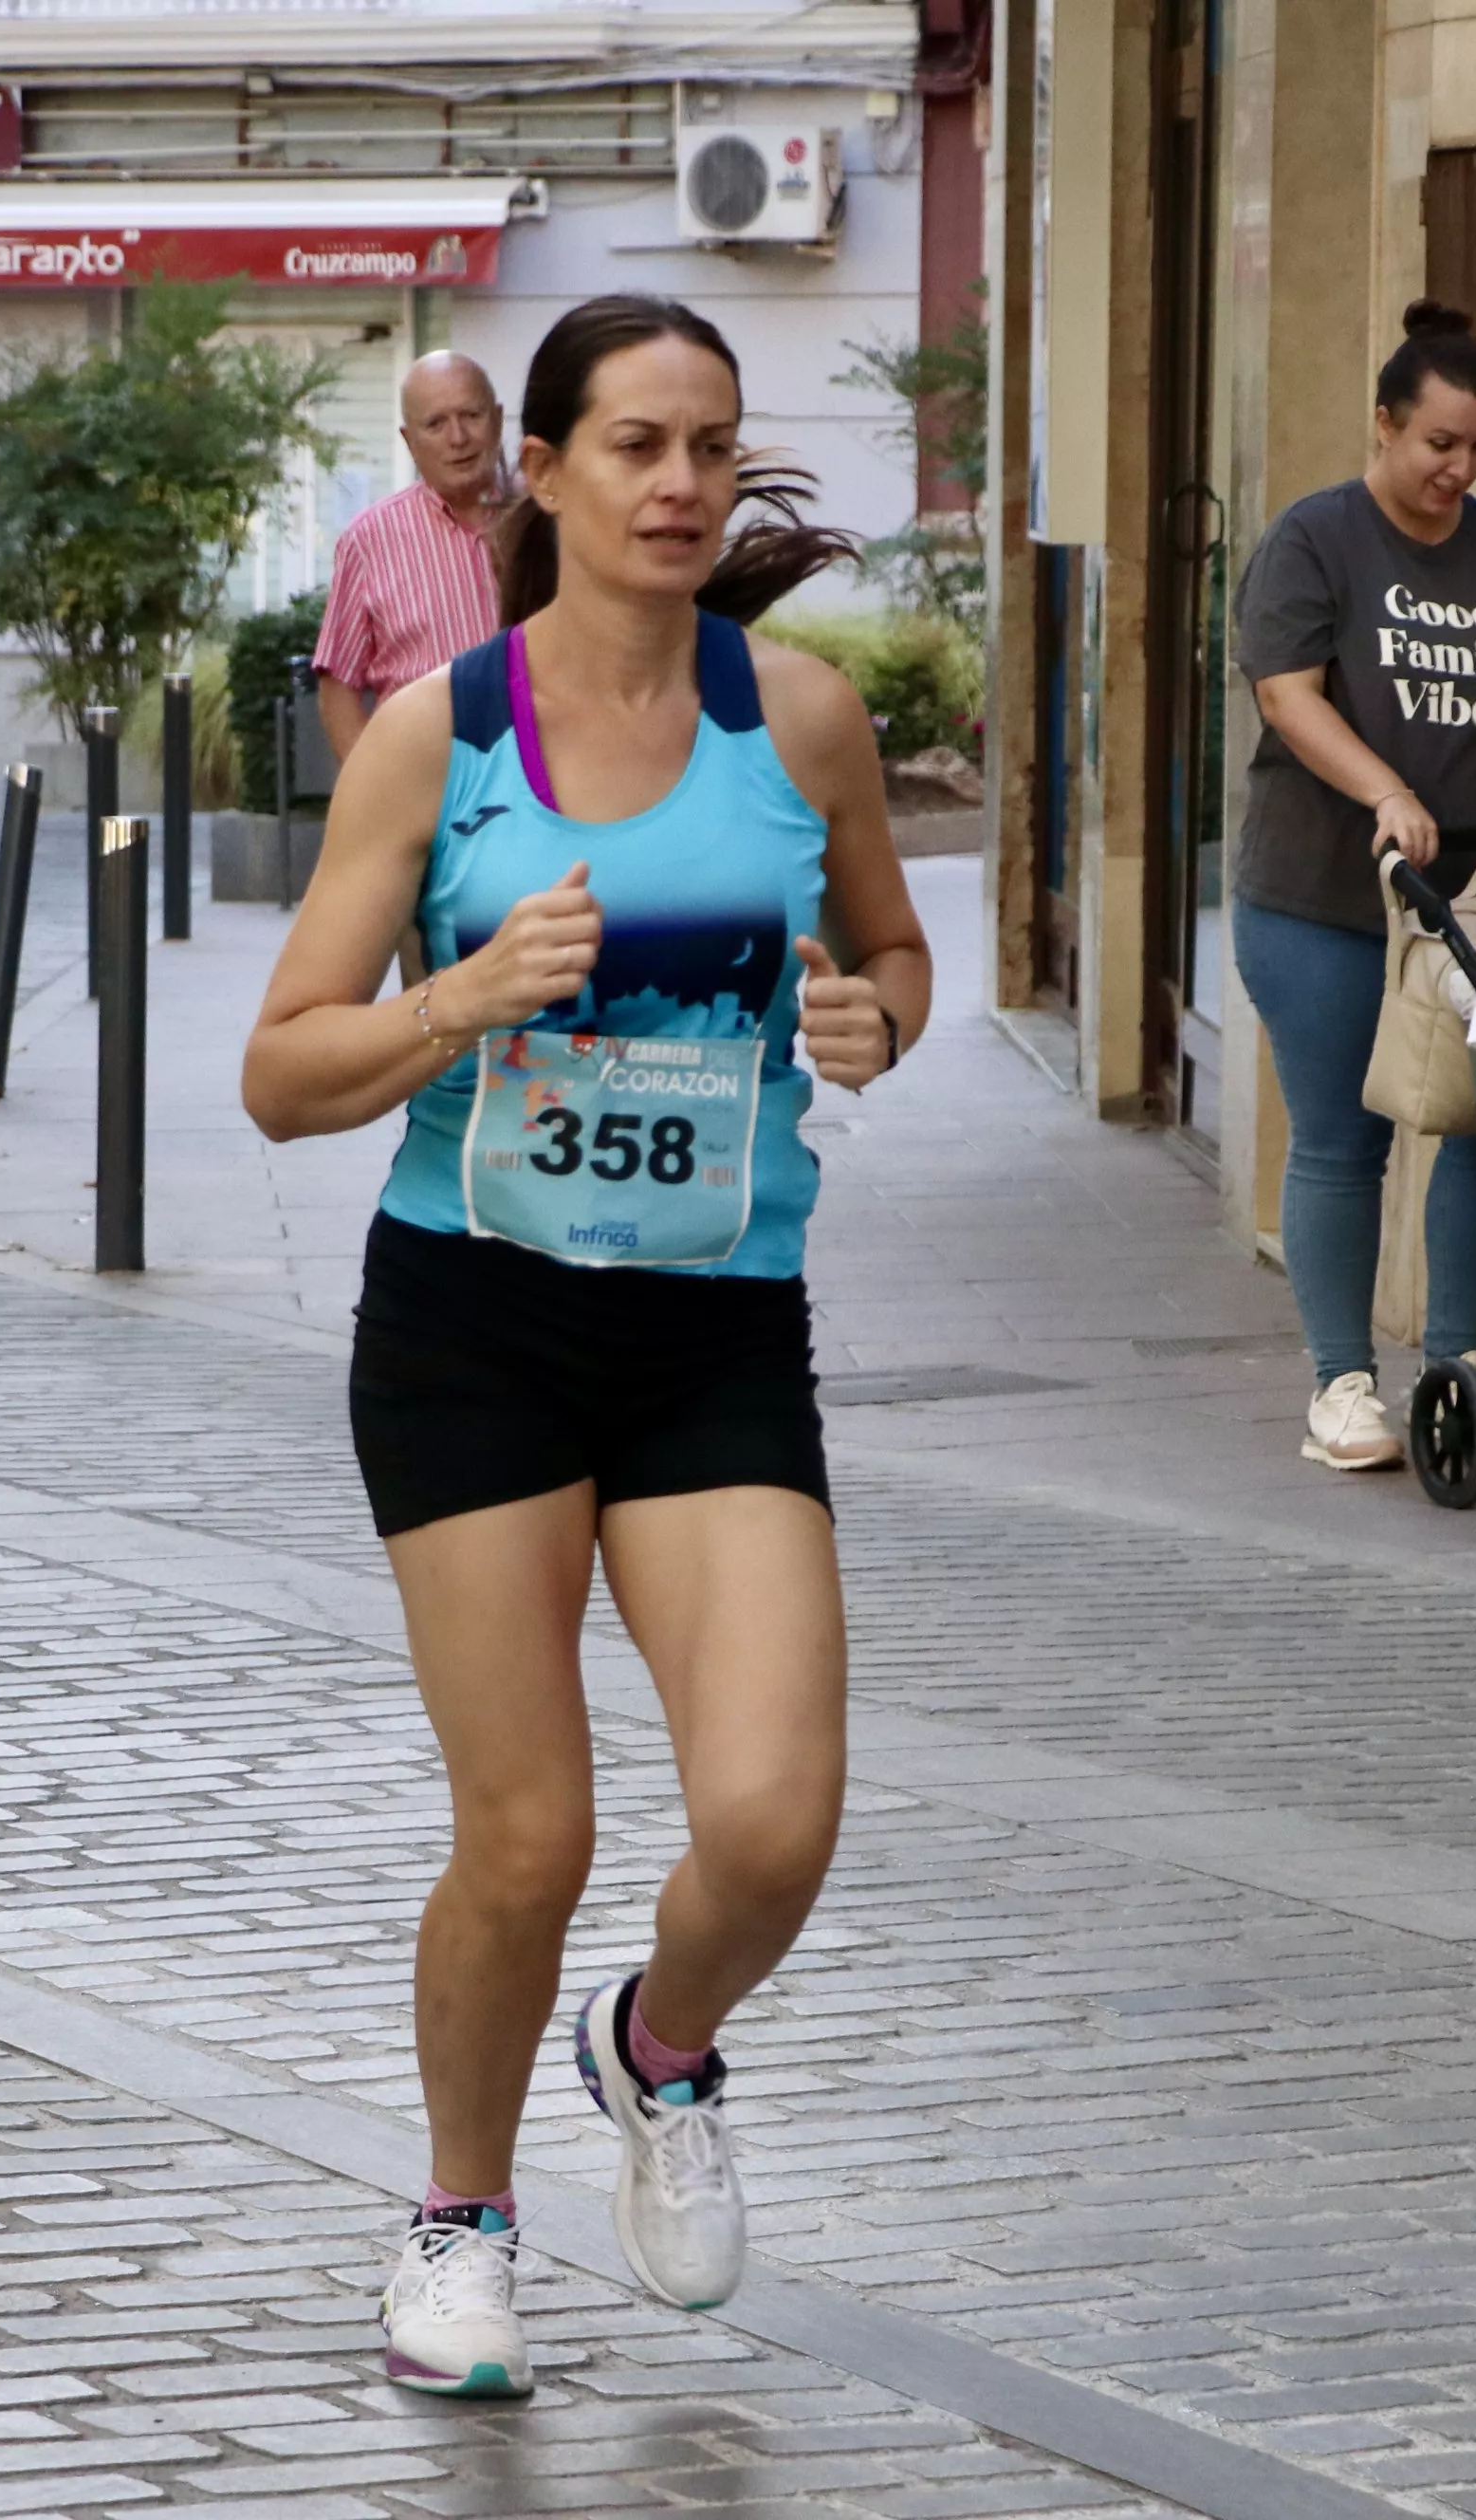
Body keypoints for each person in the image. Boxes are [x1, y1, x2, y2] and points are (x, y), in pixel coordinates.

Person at [242, 295, 930, 2400]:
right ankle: (460, 2218)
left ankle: (658, 2044)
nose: (681, 486)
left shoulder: (796, 721)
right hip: (480, 1325)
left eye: (712, 447)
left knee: (776, 1813)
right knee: (527, 1830)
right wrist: (459, 1001)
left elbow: (894, 950)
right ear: (537, 473)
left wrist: (871, 1022)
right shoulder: (439, 737)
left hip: (717, 1326)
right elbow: (282, 1070)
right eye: (635, 445)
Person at [1228, 300, 1476, 1472]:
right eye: (1436, 446)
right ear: (1386, 426)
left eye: (1474, 451)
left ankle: (1464, 1371)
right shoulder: (1315, 539)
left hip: (1473, 909)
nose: (1458, 471)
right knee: (1343, 1140)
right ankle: (1341, 1389)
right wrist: (1384, 790)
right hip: (1322, 901)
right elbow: (1287, 693)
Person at [312, 351, 509, 769]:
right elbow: (338, 687)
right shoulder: (370, 540)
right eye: (435, 424)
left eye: (471, 416)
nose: (458, 438)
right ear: (409, 440)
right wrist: (374, 790)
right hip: (424, 785)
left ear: (497, 420)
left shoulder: (551, 520)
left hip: (544, 788)